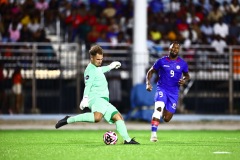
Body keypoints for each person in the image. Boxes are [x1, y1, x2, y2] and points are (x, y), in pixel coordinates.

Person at [55, 45, 139, 145]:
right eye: (98, 59)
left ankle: (127, 140)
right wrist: (85, 98)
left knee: (118, 117)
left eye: (101, 59)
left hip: (103, 100)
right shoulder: (90, 70)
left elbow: (100, 70)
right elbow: (88, 85)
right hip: (96, 98)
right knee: (97, 118)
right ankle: (69, 119)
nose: (100, 61)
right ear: (92, 58)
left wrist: (110, 67)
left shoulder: (96, 68)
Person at [146, 41, 190, 142]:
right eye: (173, 48)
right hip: (162, 89)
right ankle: (153, 135)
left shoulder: (183, 63)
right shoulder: (161, 61)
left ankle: (162, 110)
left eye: (177, 48)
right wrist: (148, 83)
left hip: (174, 92)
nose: (174, 50)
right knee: (158, 110)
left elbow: (187, 75)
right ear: (169, 49)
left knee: (166, 118)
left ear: (179, 50)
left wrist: (184, 79)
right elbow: (150, 71)